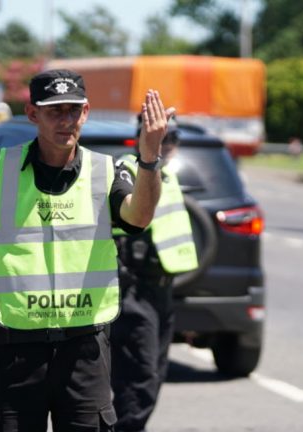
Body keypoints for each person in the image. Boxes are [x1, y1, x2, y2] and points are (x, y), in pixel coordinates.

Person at [0, 69, 173, 432]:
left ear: (85, 112)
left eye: (73, 110)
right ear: (33, 114)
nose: (66, 121)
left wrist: (149, 158)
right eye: (55, 111)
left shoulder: (106, 171)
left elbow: (139, 217)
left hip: (85, 352)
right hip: (13, 353)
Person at [110, 116, 199, 432]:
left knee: (155, 373)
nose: (168, 145)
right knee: (140, 375)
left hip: (163, 290)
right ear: (141, 139)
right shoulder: (128, 170)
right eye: (160, 138)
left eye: (172, 138)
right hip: (134, 289)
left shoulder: (168, 176)